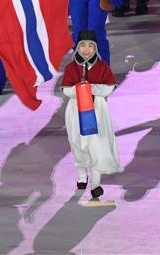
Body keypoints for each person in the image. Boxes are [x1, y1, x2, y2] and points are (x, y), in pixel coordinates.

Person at [60, 30, 121, 202]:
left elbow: (109, 87)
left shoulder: (102, 67)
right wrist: (79, 90)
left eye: (90, 46)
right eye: (83, 46)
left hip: (98, 110)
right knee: (78, 143)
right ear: (77, 47)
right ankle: (81, 173)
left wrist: (93, 89)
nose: (86, 50)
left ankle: (95, 184)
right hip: (76, 110)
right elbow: (65, 90)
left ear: (95, 48)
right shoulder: (71, 68)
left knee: (97, 145)